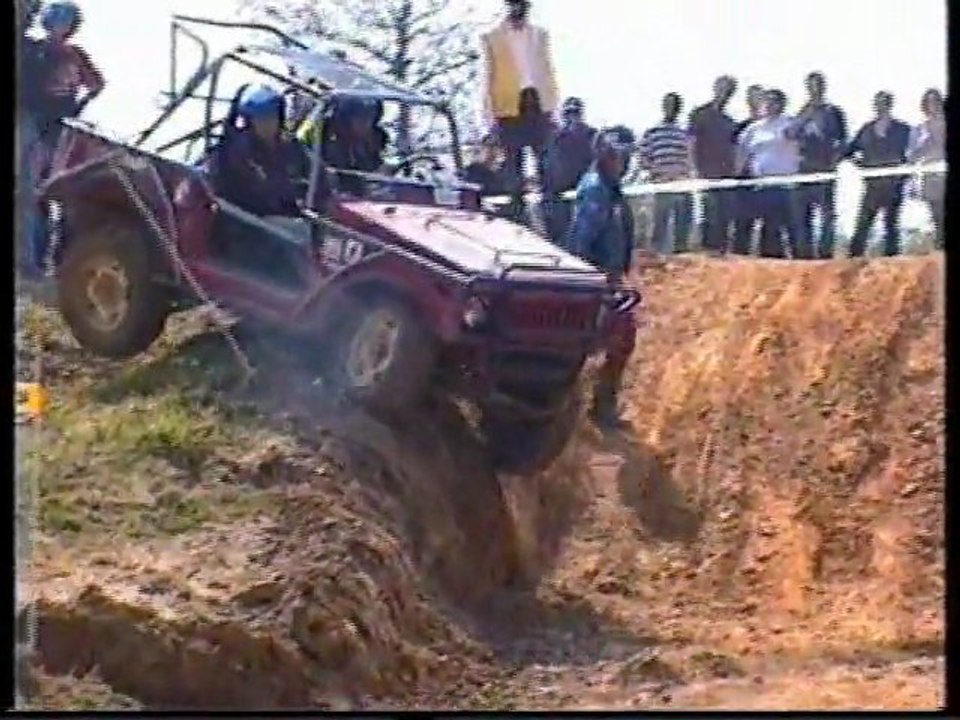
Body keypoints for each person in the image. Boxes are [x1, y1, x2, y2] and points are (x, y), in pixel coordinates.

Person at [565, 126, 639, 429]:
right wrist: (593, 278)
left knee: (617, 338)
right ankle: (584, 408)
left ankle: (598, 405)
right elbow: (583, 236)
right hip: (593, 278)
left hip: (605, 276)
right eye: (617, 157)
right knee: (586, 342)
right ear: (604, 157)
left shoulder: (611, 188)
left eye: (624, 157)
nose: (622, 163)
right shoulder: (595, 189)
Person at [481, 0, 559, 221]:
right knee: (513, 155)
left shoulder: (539, 35)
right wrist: (489, 113)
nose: (518, 10)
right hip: (508, 101)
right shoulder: (493, 37)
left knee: (543, 151)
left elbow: (547, 69)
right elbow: (489, 75)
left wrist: (553, 105)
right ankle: (517, 199)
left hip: (535, 96)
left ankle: (548, 195)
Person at [208, 85, 316, 218]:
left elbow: (317, 177)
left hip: (289, 223)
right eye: (261, 119)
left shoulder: (291, 147)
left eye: (272, 117)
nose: (268, 124)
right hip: (248, 221)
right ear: (250, 121)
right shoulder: (236, 150)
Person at [737, 88, 810, 258]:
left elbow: (793, 133)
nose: (770, 105)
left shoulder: (788, 123)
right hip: (762, 185)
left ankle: (798, 262)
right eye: (767, 101)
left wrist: (808, 110)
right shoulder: (752, 129)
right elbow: (742, 153)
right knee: (768, 228)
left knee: (791, 228)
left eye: (774, 101)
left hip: (786, 185)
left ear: (782, 104)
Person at [845, 91, 911, 257]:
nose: (882, 106)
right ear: (875, 105)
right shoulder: (867, 129)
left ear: (891, 104)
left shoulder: (903, 129)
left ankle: (892, 260)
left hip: (894, 184)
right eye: (879, 102)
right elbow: (849, 150)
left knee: (891, 224)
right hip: (872, 184)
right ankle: (853, 259)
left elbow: (913, 153)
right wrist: (861, 165)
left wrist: (904, 173)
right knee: (864, 223)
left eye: (886, 102)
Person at [795, 72, 848, 258]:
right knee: (803, 213)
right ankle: (805, 254)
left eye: (818, 85)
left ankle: (825, 253)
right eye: (811, 85)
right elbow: (792, 135)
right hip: (804, 168)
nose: (815, 89)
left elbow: (842, 141)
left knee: (826, 213)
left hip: (825, 167)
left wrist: (835, 161)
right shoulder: (802, 112)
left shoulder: (833, 112)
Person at [688, 76, 739, 254]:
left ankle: (722, 249)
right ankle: (707, 249)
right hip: (706, 172)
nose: (726, 94)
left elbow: (734, 148)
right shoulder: (700, 114)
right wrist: (694, 167)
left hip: (726, 174)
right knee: (708, 210)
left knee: (724, 213)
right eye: (724, 89)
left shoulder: (729, 121)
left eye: (730, 91)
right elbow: (691, 142)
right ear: (716, 88)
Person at [639, 92, 694, 258]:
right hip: (661, 183)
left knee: (682, 222)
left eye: (675, 105)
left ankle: (681, 256)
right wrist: (656, 171)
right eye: (668, 104)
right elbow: (643, 156)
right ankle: (656, 256)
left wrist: (685, 174)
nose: (672, 108)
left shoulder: (684, 131)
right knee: (660, 221)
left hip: (682, 183)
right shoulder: (653, 131)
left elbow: (690, 155)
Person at [543, 96, 597, 243]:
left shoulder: (592, 134)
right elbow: (548, 167)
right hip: (559, 197)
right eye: (568, 113)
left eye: (575, 113)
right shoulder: (554, 138)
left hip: (586, 194)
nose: (572, 118)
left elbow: (598, 161)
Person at [321, 95, 389, 195]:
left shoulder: (369, 144)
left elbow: (376, 170)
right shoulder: (330, 145)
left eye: (371, 118)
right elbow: (335, 181)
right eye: (361, 118)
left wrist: (384, 171)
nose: (367, 124)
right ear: (346, 119)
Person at [907, 88, 946, 249]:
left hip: (945, 171)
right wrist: (922, 144)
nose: (933, 106)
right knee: (936, 215)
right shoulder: (919, 129)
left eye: (936, 101)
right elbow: (911, 155)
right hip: (931, 176)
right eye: (929, 102)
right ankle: (940, 246)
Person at [732, 84, 765, 255]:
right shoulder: (741, 127)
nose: (756, 102)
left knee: (770, 222)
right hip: (745, 179)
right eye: (752, 98)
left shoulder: (773, 126)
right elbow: (736, 151)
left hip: (768, 179)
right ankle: (740, 254)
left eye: (759, 98)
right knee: (743, 220)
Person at [463, 132, 510, 197]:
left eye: (496, 147)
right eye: (488, 146)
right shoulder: (473, 170)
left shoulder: (509, 169)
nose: (492, 150)